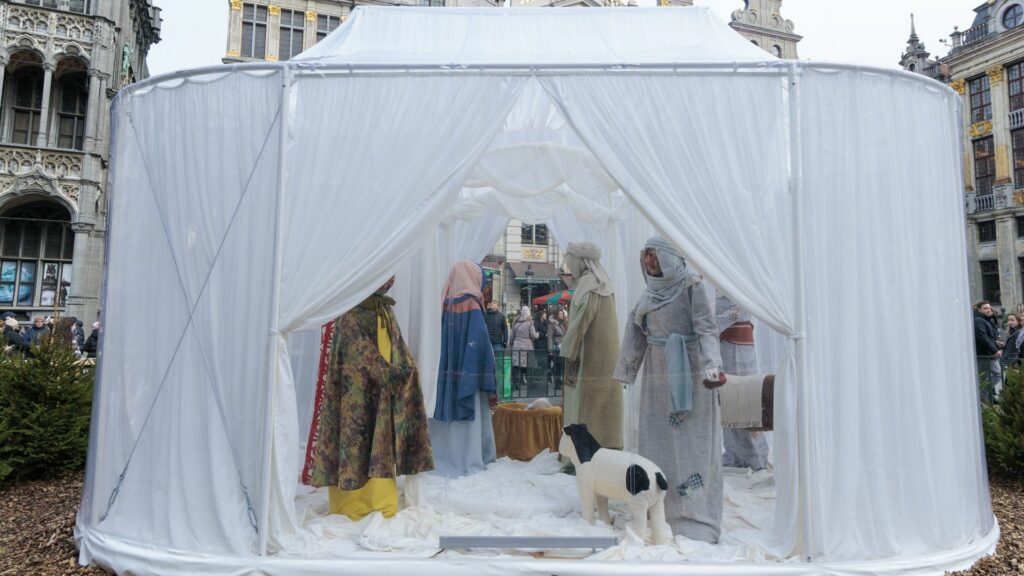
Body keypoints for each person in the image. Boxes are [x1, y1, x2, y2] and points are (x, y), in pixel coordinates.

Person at [614, 236, 725, 543]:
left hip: (690, 373)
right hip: (656, 375)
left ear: (669, 257)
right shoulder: (649, 292)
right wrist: (626, 370)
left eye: (654, 256)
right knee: (656, 439)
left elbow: (706, 328)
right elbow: (634, 328)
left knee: (693, 443)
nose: (649, 262)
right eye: (646, 256)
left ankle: (695, 515)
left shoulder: (692, 285)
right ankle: (657, 510)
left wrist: (711, 366)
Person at [302, 278, 434, 520]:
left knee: (380, 441)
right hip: (356, 394)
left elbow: (397, 347)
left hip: (382, 393)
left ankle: (380, 500)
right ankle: (352, 503)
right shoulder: (351, 312)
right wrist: (388, 373)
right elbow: (356, 351)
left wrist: (405, 370)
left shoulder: (384, 311)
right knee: (355, 442)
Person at [429, 261, 498, 478]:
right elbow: (480, 343)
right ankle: (469, 458)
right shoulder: (473, 304)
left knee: (445, 416)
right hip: (470, 373)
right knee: (472, 421)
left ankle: (442, 457)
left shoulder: (442, 302)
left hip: (445, 373)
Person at [560, 242, 622, 450]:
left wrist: (568, 351)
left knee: (585, 407)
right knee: (604, 409)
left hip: (589, 357)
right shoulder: (604, 282)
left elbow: (580, 323)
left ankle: (580, 453)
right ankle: (609, 447)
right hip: (608, 358)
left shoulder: (588, 285)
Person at [715, 294, 770, 471]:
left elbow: (738, 311)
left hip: (739, 348)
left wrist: (708, 325)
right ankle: (733, 453)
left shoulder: (739, 287)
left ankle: (753, 455)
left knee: (745, 398)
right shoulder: (720, 288)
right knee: (726, 399)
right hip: (723, 347)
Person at [974, 301, 1000, 404]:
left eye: (989, 308)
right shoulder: (979, 320)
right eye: (985, 308)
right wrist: (995, 350)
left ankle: (985, 398)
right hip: (985, 354)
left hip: (988, 353)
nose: (989, 310)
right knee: (996, 374)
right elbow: (982, 337)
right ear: (979, 309)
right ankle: (982, 394)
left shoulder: (986, 320)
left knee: (988, 376)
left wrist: (997, 343)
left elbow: (989, 336)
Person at [510, 305, 538, 392]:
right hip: (527, 347)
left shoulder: (516, 322)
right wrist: (537, 335)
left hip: (517, 346)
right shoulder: (530, 322)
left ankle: (516, 384)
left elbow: (511, 336)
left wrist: (511, 344)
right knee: (528, 366)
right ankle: (530, 385)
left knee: (516, 366)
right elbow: (533, 335)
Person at [547, 309, 567, 388]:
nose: (562, 315)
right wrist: (550, 350)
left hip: (563, 347)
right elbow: (549, 337)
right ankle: (557, 383)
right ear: (556, 315)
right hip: (556, 347)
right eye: (560, 314)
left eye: (562, 314)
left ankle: (561, 381)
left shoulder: (562, 324)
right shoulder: (552, 324)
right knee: (557, 365)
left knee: (562, 365)